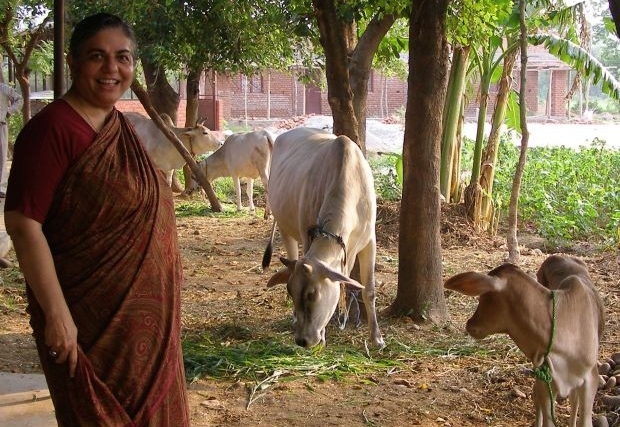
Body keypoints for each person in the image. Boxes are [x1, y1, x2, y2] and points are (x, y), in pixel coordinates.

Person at [4, 13, 190, 426]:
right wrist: (57, 316)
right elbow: (22, 223)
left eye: (122, 57)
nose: (111, 69)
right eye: (97, 56)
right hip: (89, 326)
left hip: (149, 332)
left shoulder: (119, 127)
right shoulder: (50, 131)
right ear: (73, 62)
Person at [0, 72, 23, 198]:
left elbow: (19, 99)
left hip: (1, 125)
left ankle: (1, 188)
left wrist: (9, 111)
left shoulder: (4, 88)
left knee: (2, 156)